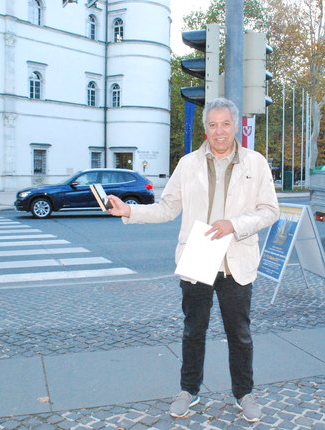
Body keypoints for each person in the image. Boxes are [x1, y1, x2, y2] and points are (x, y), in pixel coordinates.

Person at [107, 97, 279, 423]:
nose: (219, 131)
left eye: (225, 124)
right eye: (212, 124)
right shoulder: (188, 164)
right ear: (205, 128)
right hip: (198, 256)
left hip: (235, 260)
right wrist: (129, 210)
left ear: (235, 126)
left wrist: (235, 225)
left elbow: (269, 211)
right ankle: (189, 390)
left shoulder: (255, 163)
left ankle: (245, 393)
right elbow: (167, 208)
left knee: (239, 334)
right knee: (193, 331)